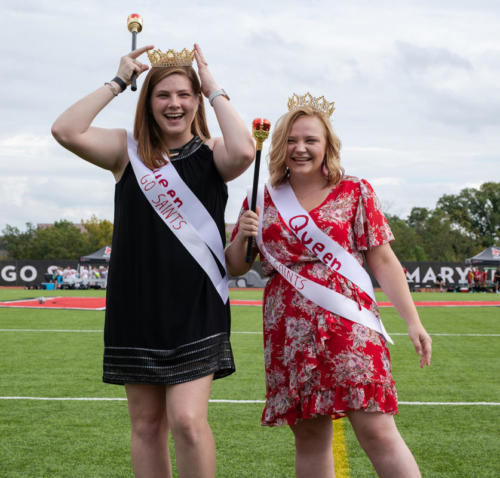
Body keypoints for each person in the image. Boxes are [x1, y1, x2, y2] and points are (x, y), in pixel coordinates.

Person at [52, 43, 254, 478]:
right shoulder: (125, 151)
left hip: (196, 308)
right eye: (163, 95)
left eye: (184, 94)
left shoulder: (212, 154)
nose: (174, 104)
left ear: (195, 101)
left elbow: (244, 151)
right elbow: (66, 130)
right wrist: (118, 80)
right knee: (146, 426)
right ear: (148, 102)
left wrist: (212, 83)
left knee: (187, 421)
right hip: (136, 306)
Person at [225, 93, 432, 478]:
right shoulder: (261, 196)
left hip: (348, 325)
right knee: (309, 438)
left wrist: (413, 322)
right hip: (289, 331)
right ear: (278, 145)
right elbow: (237, 264)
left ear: (327, 146)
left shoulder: (355, 191)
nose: (299, 149)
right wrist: (241, 239)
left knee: (377, 430)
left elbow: (383, 260)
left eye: (310, 140)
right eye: (290, 140)